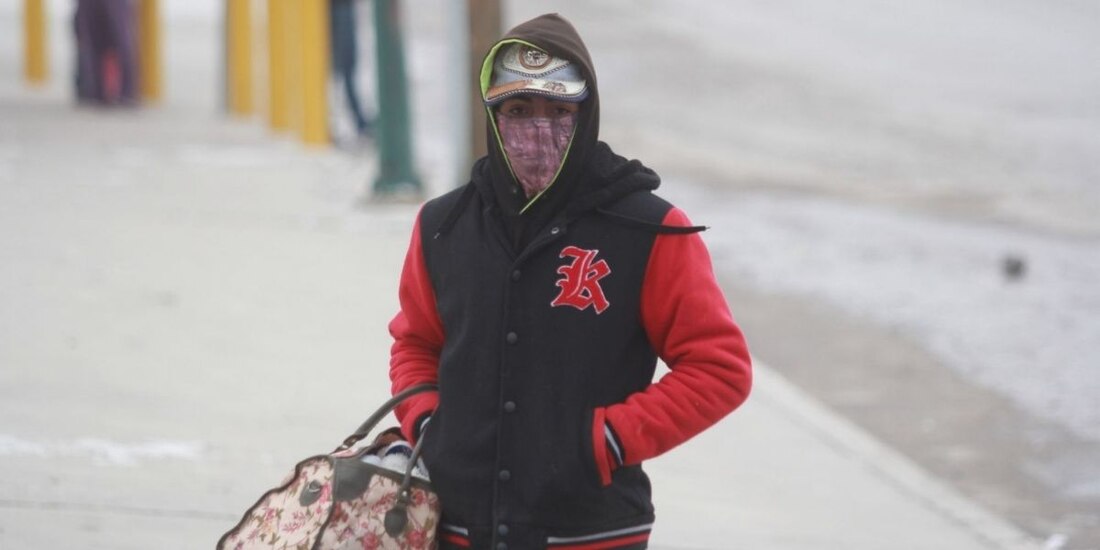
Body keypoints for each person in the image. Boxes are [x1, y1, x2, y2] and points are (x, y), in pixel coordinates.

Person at [388, 13, 752, 550]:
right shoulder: (443, 225)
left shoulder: (652, 230)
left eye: (558, 110)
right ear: (492, 116)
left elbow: (720, 369)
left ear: (586, 114)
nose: (538, 129)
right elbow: (415, 343)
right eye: (518, 110)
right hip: (459, 529)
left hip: (592, 530)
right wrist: (428, 426)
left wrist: (605, 440)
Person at [329, 0, 373, 138]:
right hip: (337, 7)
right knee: (345, 68)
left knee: (346, 70)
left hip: (340, 7)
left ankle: (359, 123)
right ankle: (359, 123)